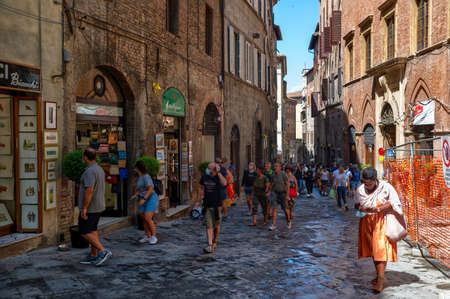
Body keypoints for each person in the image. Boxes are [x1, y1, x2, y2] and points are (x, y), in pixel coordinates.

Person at [355, 167, 403, 293]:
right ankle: (378, 276)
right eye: (365, 183)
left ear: (375, 180)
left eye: (370, 184)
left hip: (382, 221)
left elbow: (394, 202)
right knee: (373, 250)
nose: (368, 186)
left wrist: (378, 209)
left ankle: (380, 280)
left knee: (380, 249)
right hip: (366, 222)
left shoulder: (386, 187)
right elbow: (356, 204)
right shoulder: (360, 189)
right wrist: (361, 208)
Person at [78, 148, 112, 266]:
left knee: (83, 231)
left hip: (91, 207)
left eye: (83, 156)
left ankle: (103, 251)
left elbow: (89, 190)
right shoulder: (99, 169)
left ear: (85, 157)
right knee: (92, 230)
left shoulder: (90, 171)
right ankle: (93, 255)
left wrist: (84, 208)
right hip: (98, 205)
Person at [199, 162, 227, 253]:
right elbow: (201, 187)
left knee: (217, 226)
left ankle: (215, 241)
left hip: (217, 205)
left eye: (209, 168)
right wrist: (199, 200)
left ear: (214, 169)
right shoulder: (204, 176)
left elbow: (224, 183)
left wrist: (218, 173)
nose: (207, 169)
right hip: (207, 204)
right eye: (207, 168)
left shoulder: (218, 177)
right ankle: (210, 245)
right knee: (209, 225)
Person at [133, 160, 159, 245]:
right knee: (143, 218)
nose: (134, 169)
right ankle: (147, 236)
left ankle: (154, 236)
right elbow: (143, 188)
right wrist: (137, 194)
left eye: (135, 168)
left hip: (151, 198)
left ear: (137, 168)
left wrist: (144, 199)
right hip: (144, 198)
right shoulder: (140, 177)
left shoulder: (146, 176)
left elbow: (150, 188)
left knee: (148, 218)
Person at [269, 163, 291, 231]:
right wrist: (268, 191)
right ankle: (274, 224)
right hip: (275, 193)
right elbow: (272, 184)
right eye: (274, 166)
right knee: (274, 209)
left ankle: (288, 221)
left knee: (285, 209)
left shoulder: (283, 174)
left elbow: (287, 185)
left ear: (280, 167)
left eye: (276, 166)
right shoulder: (273, 175)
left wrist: (287, 195)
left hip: (283, 193)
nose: (275, 167)